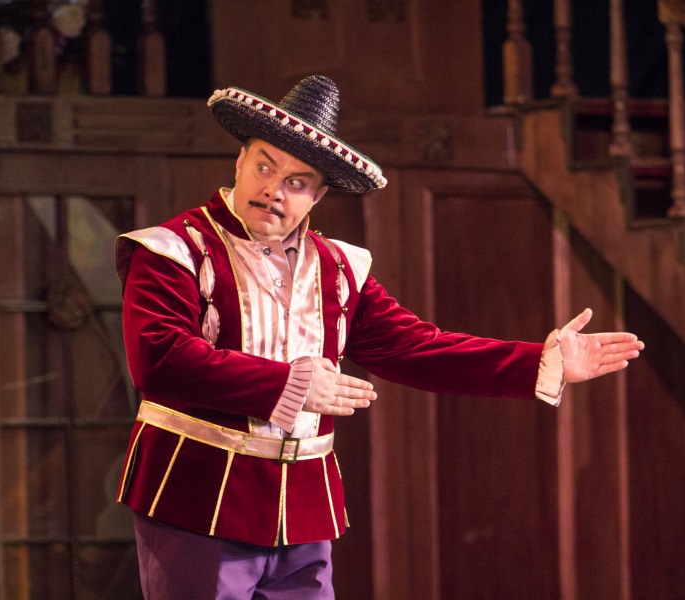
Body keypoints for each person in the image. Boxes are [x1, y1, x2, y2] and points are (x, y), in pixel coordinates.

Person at [114, 75, 644, 599]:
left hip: (303, 511)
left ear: (318, 195)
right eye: (264, 166)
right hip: (196, 497)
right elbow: (160, 359)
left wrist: (538, 362)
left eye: (297, 182)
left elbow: (416, 347)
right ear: (239, 161)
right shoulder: (173, 250)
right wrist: (289, 385)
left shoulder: (337, 268)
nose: (274, 190)